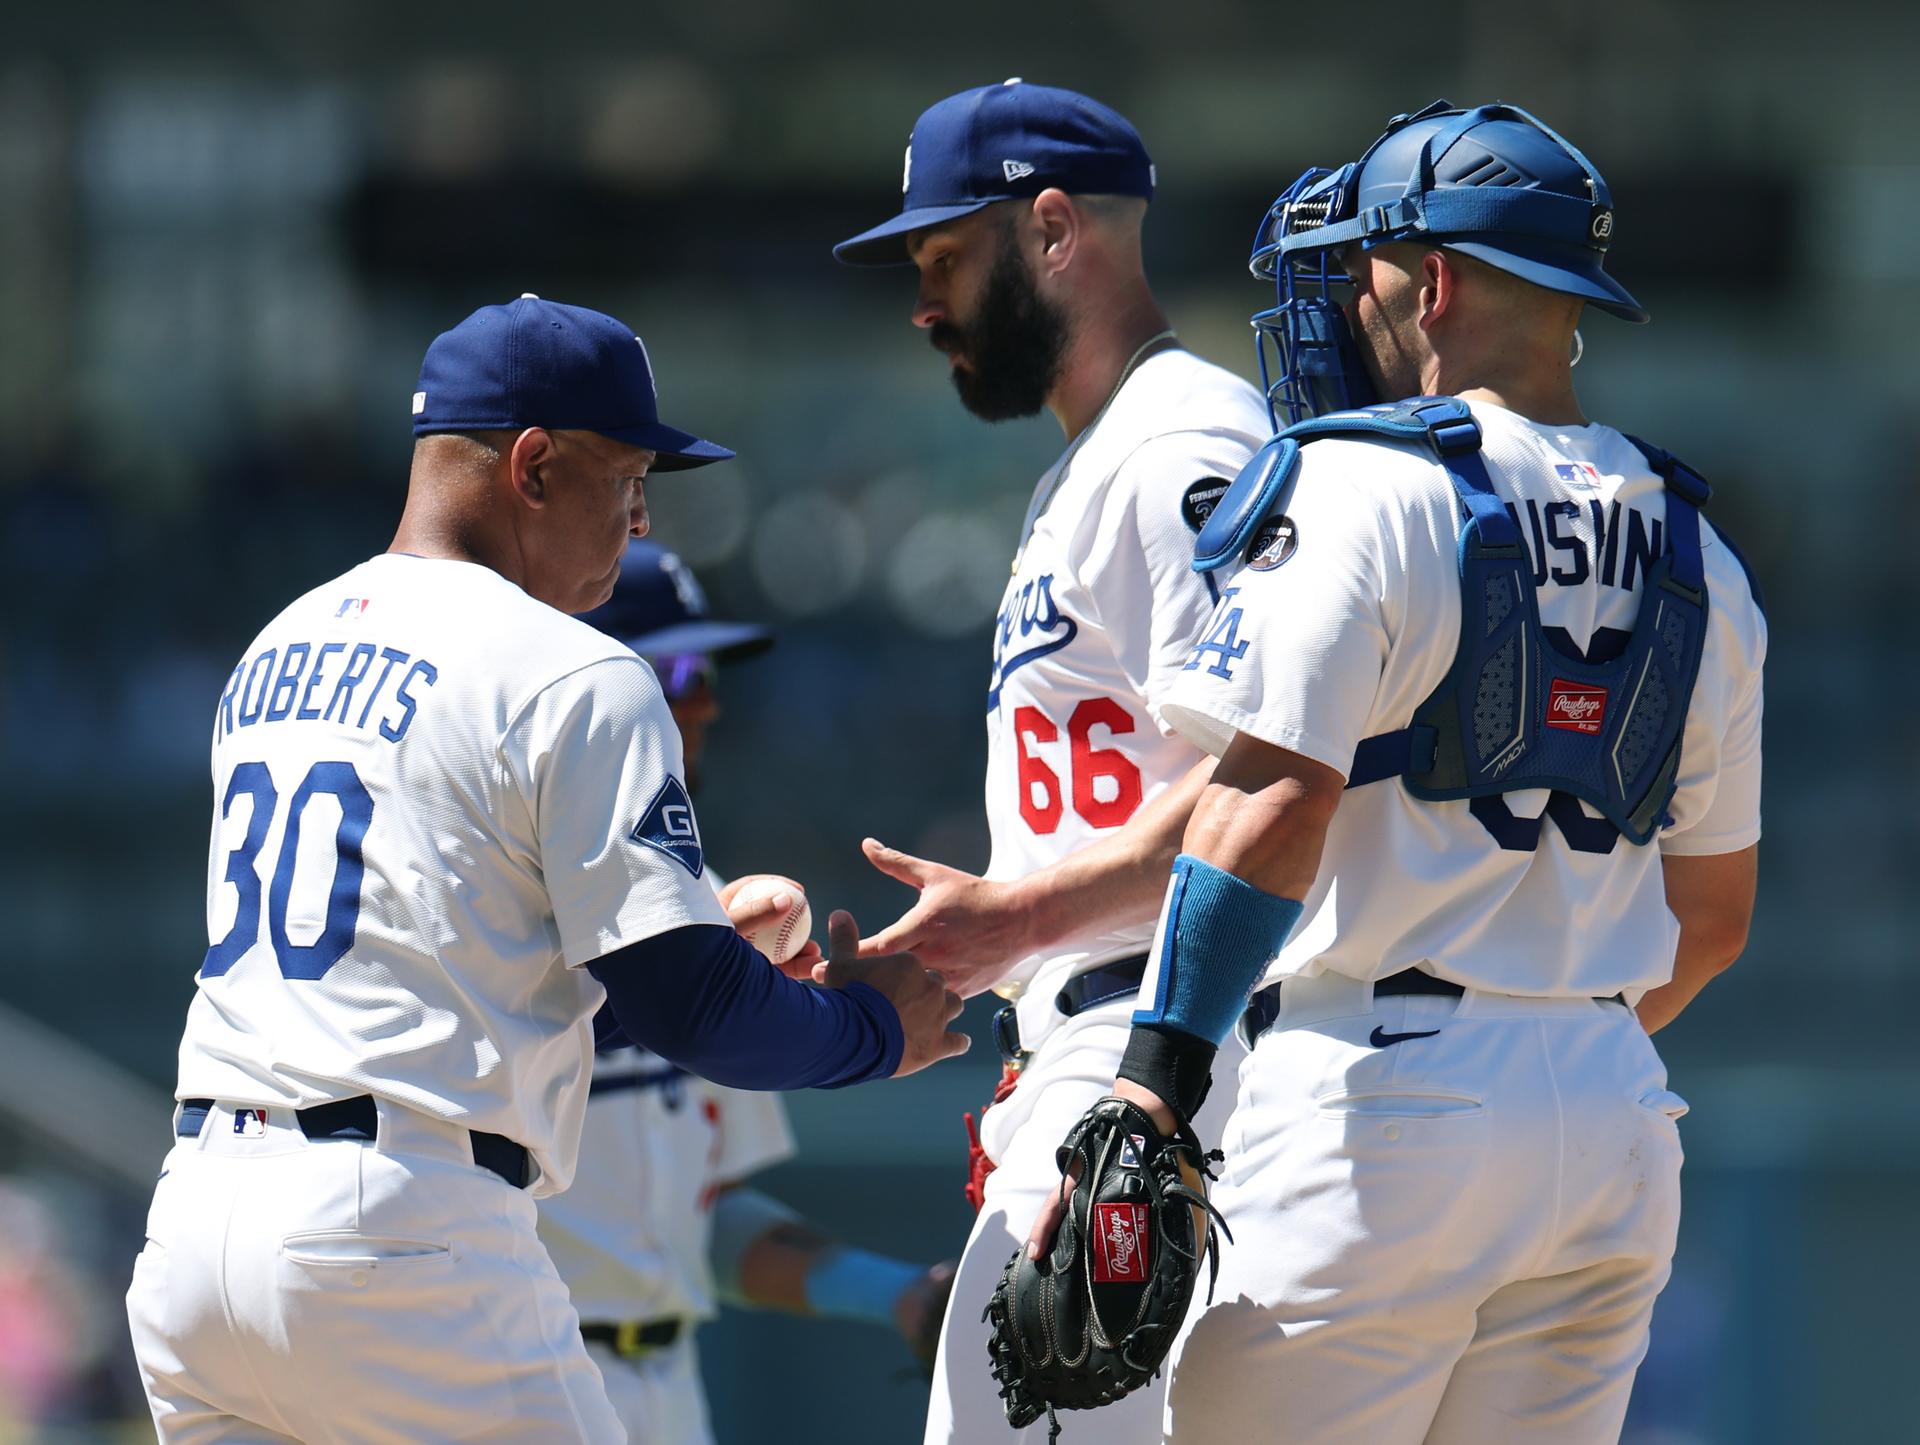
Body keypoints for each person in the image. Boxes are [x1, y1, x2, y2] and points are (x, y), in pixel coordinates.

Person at [1026, 101, 1766, 1442]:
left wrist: (1155, 1080)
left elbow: (1266, 807)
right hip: (1611, 1114)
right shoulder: (1701, 552)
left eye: (1363, 264)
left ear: (1431, 281)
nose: (1344, 300)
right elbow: (1713, 920)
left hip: (1381, 1094)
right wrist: (1541, 1042)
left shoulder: (1360, 484)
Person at [125, 294, 967, 1442]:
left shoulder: (278, 645)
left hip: (196, 1231)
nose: (636, 520)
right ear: (532, 466)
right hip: (402, 1240)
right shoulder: (576, 669)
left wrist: (696, 924)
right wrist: (872, 1028)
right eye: (626, 481)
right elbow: (696, 1007)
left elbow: (452, 969)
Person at [834, 81, 1270, 1443]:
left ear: (1056, 229)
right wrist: (984, 940)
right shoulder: (1086, 466)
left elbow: (1275, 768)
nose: (926, 300)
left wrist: (1017, 918)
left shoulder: (1185, 444)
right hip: (1097, 1037)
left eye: (947, 257)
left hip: (1170, 1047)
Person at [539, 539, 955, 1443]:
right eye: (679, 670)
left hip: (667, 1387)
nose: (706, 702)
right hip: (513, 1371)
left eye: (711, 670)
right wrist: (862, 1031)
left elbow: (705, 1218)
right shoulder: (518, 901)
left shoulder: (701, 907)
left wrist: (898, 1298)